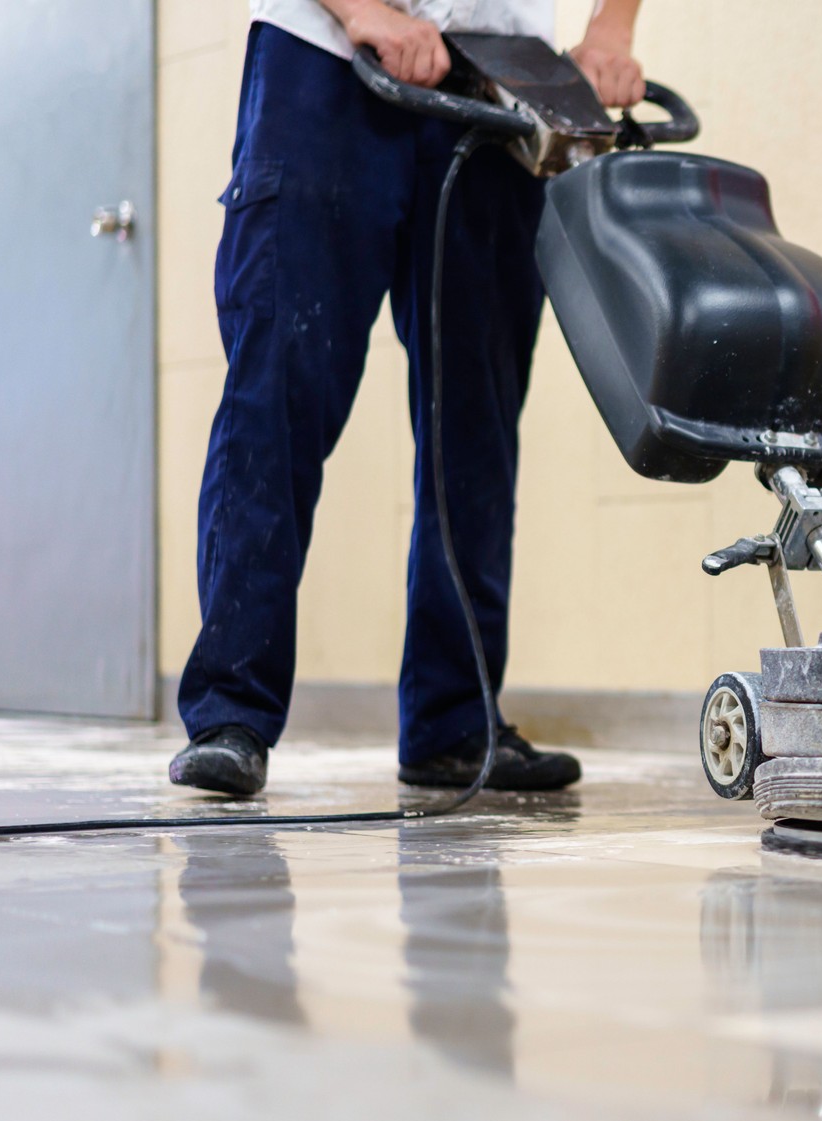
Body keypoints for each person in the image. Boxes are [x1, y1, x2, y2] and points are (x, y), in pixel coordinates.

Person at [168, 0, 646, 797]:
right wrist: (364, 12)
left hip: (499, 78)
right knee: (280, 389)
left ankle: (454, 724)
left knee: (477, 422)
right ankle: (231, 713)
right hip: (322, 56)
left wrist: (612, 32)